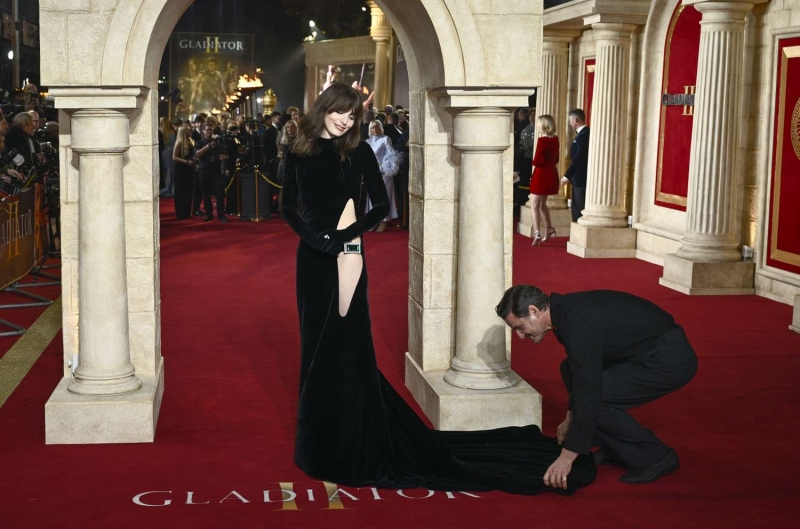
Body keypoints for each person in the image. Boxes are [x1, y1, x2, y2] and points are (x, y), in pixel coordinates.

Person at [281, 82, 595, 496]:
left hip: (347, 258)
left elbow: (379, 205)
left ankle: (345, 443)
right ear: (325, 107)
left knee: (343, 347)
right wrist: (314, 239)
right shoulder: (298, 150)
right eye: (341, 111)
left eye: (353, 115)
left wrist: (344, 236)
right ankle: (317, 439)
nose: (346, 120)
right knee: (315, 345)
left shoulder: (355, 151)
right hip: (312, 261)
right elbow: (288, 205)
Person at [497, 285, 697, 485]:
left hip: (668, 360)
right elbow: (582, 371)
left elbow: (588, 389)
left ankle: (656, 457)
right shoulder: (564, 311)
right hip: (640, 350)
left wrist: (566, 457)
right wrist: (571, 417)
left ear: (534, 311)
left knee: (597, 398)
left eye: (519, 327)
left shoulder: (577, 323)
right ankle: (617, 447)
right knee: (569, 369)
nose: (520, 336)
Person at [528, 115, 560, 246]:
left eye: (538, 123)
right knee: (542, 205)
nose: (536, 125)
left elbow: (536, 161)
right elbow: (556, 159)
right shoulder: (556, 139)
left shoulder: (542, 141)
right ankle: (549, 228)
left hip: (541, 174)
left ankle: (537, 233)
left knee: (534, 205)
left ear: (544, 125)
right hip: (551, 173)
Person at [365, 120, 400, 232]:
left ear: (381, 128)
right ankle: (373, 221)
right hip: (371, 173)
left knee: (383, 197)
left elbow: (392, 154)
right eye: (372, 128)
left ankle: (383, 221)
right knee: (371, 198)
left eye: (377, 127)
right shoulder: (367, 141)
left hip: (384, 173)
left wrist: (384, 167)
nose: (375, 130)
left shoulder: (385, 139)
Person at [194, 123, 228, 222]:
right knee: (206, 194)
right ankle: (209, 214)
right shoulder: (200, 142)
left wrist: (224, 157)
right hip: (204, 170)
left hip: (216, 171)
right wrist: (208, 147)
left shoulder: (218, 142)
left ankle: (221, 215)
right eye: (207, 130)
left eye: (211, 130)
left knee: (220, 193)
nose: (209, 132)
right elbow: (197, 154)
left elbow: (225, 154)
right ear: (203, 131)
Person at [563, 109, 590, 222]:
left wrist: (567, 175)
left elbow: (579, 158)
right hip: (577, 178)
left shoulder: (584, 135)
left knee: (579, 209)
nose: (569, 124)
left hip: (580, 177)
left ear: (576, 120)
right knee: (576, 207)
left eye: (570, 121)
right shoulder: (582, 134)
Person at [172, 124, 196, 220]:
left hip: (189, 169)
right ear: (183, 132)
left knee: (188, 191)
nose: (190, 131)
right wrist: (186, 161)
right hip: (180, 169)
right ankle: (181, 213)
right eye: (188, 130)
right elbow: (174, 157)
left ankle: (187, 212)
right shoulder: (179, 142)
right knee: (181, 191)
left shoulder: (190, 142)